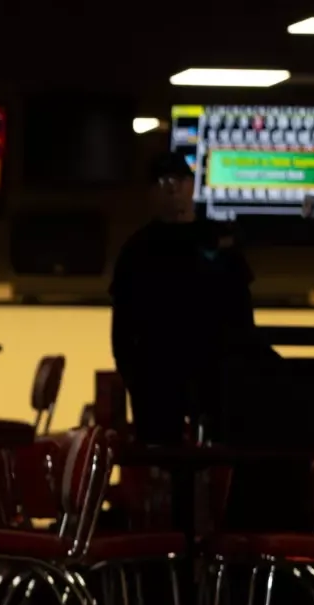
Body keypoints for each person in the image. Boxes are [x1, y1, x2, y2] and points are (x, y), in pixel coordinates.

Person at [109, 151, 258, 446]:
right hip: (156, 376)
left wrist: (242, 366)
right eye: (164, 181)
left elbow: (242, 309)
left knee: (221, 459)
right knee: (161, 461)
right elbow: (123, 326)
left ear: (192, 185)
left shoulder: (219, 239)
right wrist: (134, 378)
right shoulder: (138, 249)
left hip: (217, 372)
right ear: (151, 192)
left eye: (179, 179)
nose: (172, 187)